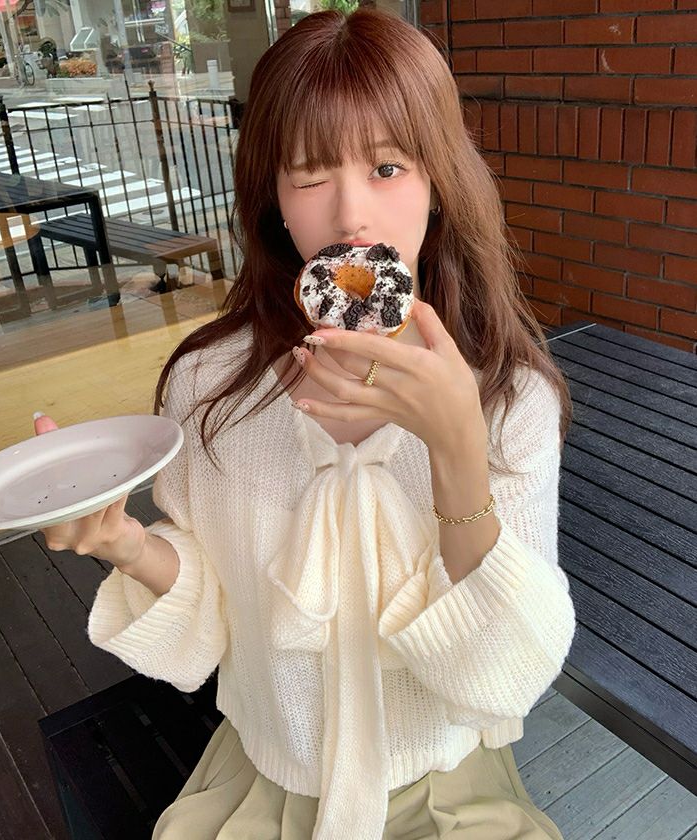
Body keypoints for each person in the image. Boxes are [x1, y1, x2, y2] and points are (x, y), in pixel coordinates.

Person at [34, 8, 576, 839]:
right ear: (275, 201)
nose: (352, 215)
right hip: (264, 773)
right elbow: (216, 610)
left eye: (388, 167)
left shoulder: (509, 399)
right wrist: (124, 544)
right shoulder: (209, 386)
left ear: (438, 185)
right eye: (311, 174)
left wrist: (456, 450)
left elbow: (511, 674)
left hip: (446, 782)